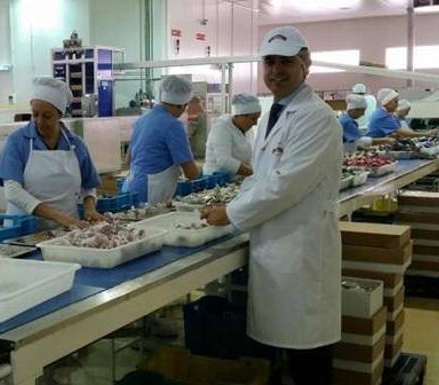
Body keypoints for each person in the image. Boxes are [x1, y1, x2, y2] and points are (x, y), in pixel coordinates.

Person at [202, 26, 342, 385]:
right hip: (276, 246)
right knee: (285, 353)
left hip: (300, 248)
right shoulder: (273, 114)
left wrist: (231, 214)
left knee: (309, 358)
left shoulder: (316, 117)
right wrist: (232, 201)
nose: (276, 70)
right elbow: (262, 177)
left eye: (286, 62)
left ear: (305, 65)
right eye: (270, 62)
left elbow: (285, 186)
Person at [0, 77, 102, 229]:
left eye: (47, 116)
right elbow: (12, 191)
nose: (39, 121)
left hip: (67, 230)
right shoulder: (17, 141)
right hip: (24, 232)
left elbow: (88, 186)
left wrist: (90, 209)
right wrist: (59, 217)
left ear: (60, 115)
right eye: (35, 114)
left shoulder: (75, 144)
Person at [123, 75, 200, 204]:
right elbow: (190, 172)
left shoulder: (144, 118)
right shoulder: (173, 125)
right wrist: (202, 174)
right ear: (182, 105)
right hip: (151, 191)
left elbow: (127, 160)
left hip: (131, 186)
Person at [203, 93, 261, 177]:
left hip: (236, 178)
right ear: (240, 115)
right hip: (216, 178)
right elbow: (224, 161)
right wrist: (254, 175)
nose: (255, 123)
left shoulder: (247, 130)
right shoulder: (221, 128)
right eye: (253, 119)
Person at [367, 88, 436, 138]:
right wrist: (426, 134)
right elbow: (402, 133)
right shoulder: (383, 116)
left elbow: (393, 133)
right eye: (395, 102)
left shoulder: (384, 113)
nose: (397, 105)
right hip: (372, 144)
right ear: (387, 102)